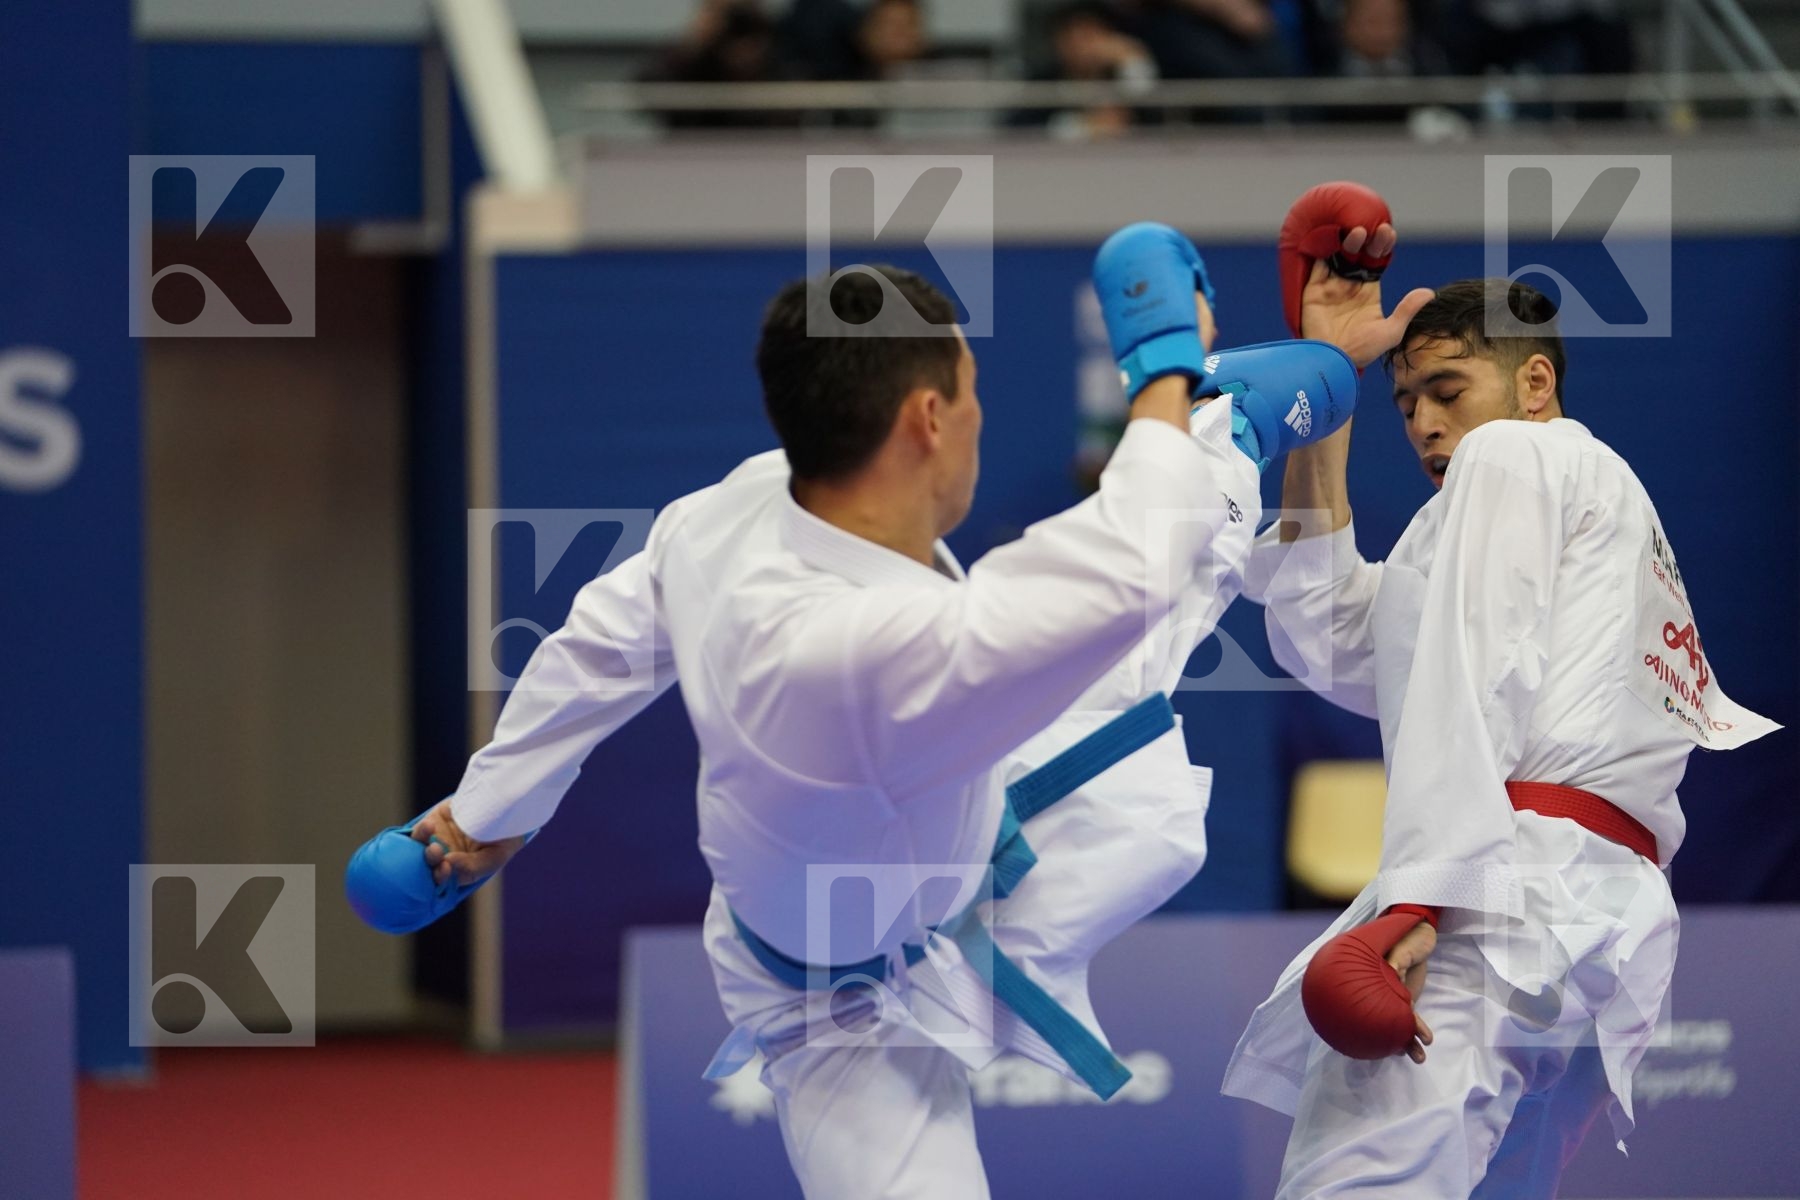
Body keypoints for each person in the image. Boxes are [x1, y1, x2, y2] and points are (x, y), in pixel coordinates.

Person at [349, 232, 1360, 1196]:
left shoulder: (733, 511)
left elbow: (593, 651)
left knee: (1126, 665)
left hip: (896, 837)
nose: (980, 415)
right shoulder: (878, 651)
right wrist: (1163, 363)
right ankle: (1220, 434)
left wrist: (485, 814)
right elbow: (1130, 559)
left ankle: (1230, 433)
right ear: (928, 417)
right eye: (972, 391)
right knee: (1130, 668)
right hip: (843, 1005)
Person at [1223, 188, 1780, 1198]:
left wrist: (1419, 896)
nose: (1427, 425)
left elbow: (1475, 673)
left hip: (1498, 892)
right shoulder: (1569, 499)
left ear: (1534, 382)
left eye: (1448, 390)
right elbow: (1331, 636)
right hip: (1593, 915)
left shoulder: (1515, 454)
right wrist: (1326, 383)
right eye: (1406, 406)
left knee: (1355, 1183)